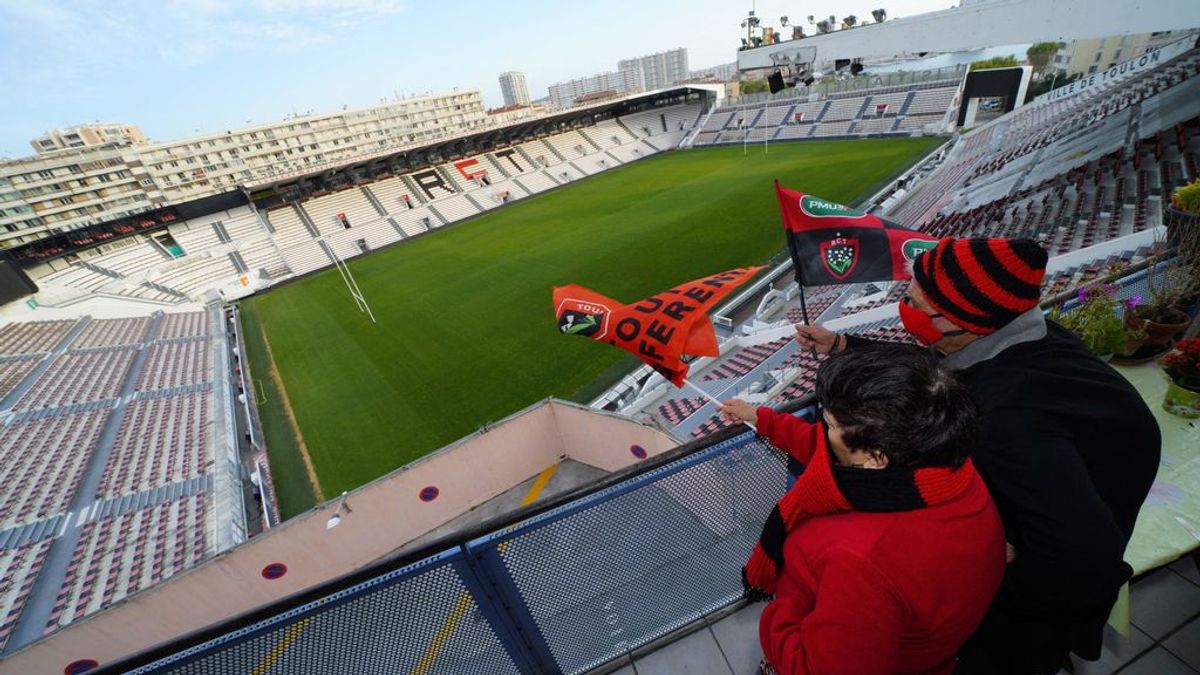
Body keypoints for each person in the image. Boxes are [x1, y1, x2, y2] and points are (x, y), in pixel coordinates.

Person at [793, 237, 1162, 674]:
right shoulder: (1020, 336)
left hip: (1031, 611)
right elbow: (941, 364)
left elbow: (1085, 558)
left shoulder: (1002, 417)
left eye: (913, 301)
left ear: (960, 319)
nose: (904, 307)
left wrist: (981, 591)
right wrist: (844, 346)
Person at [719, 345, 1006, 675]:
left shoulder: (862, 562)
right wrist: (761, 419)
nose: (824, 431)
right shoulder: (943, 465)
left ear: (875, 458)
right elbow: (823, 447)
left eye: (829, 423)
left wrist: (782, 611)